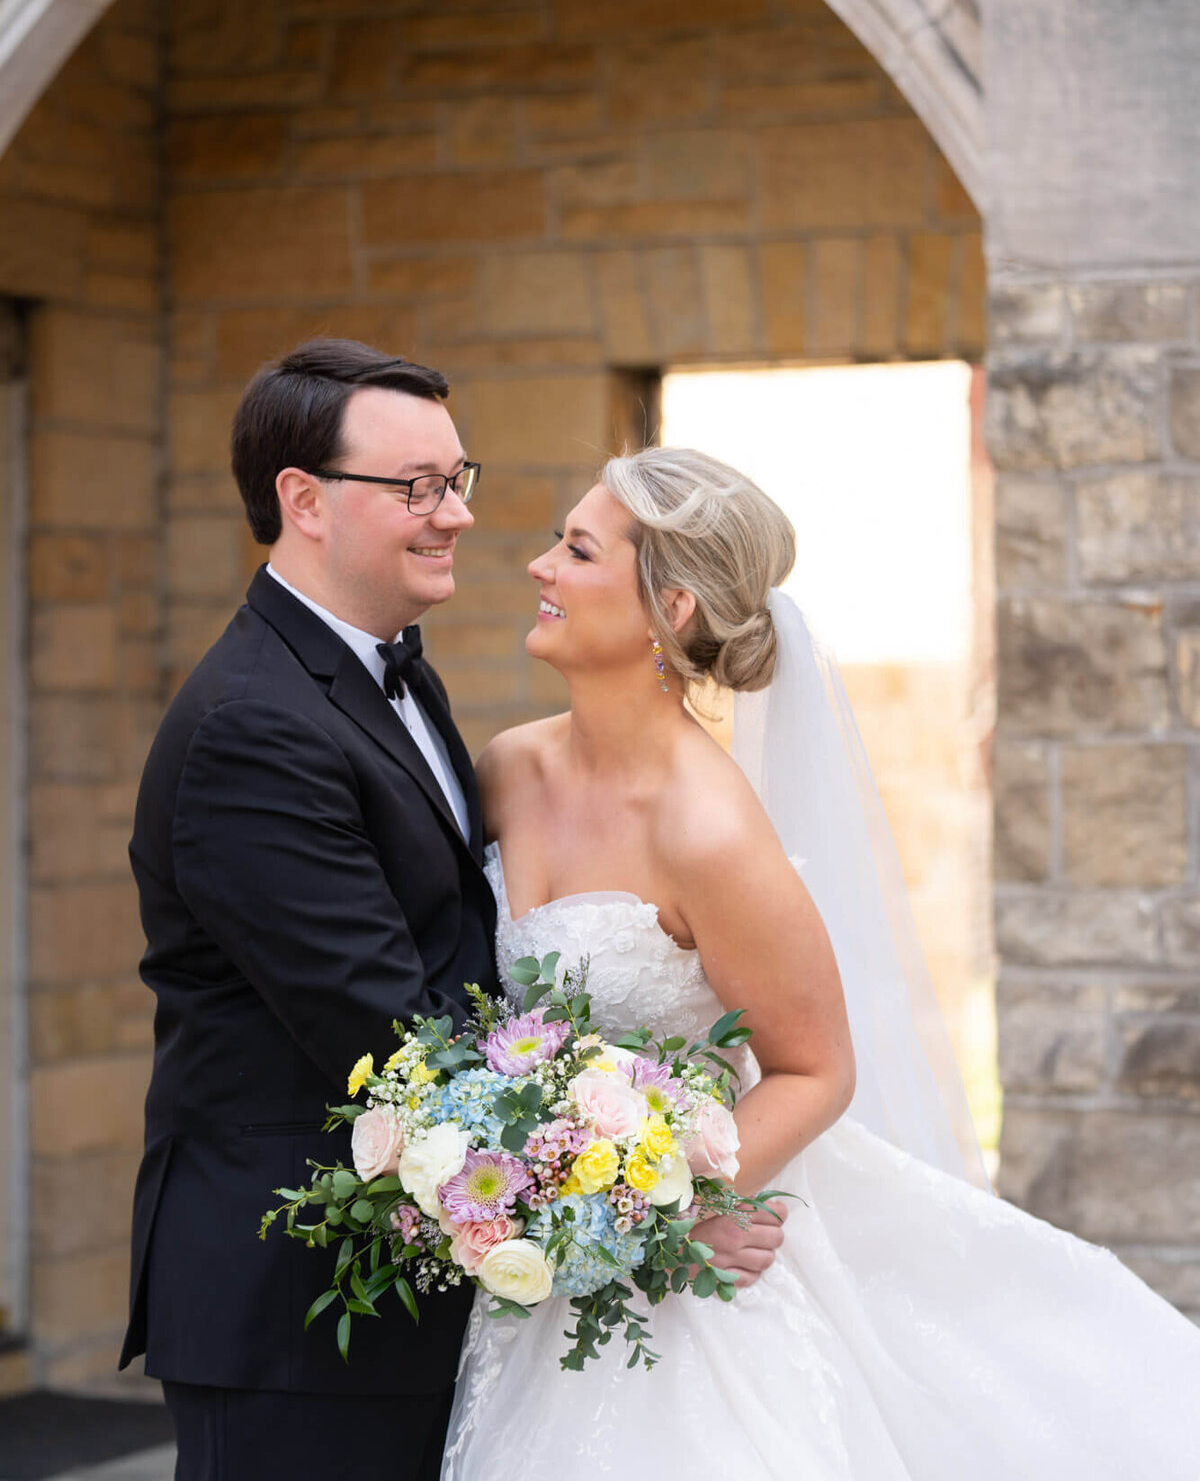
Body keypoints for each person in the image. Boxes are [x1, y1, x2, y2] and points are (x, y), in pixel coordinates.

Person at [441, 445, 1200, 1480]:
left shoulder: (708, 827)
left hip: (680, 1278)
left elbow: (818, 1065)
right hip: (538, 1266)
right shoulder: (508, 769)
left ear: (671, 605)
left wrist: (670, 1215)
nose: (539, 565)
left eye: (576, 549)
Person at [120, 339, 497, 1480]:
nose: (454, 515)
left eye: (457, 478)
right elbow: (387, 1035)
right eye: (415, 487)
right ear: (305, 499)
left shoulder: (390, 666)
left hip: (395, 1286)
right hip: (297, 1296)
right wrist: (614, 1178)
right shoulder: (255, 724)